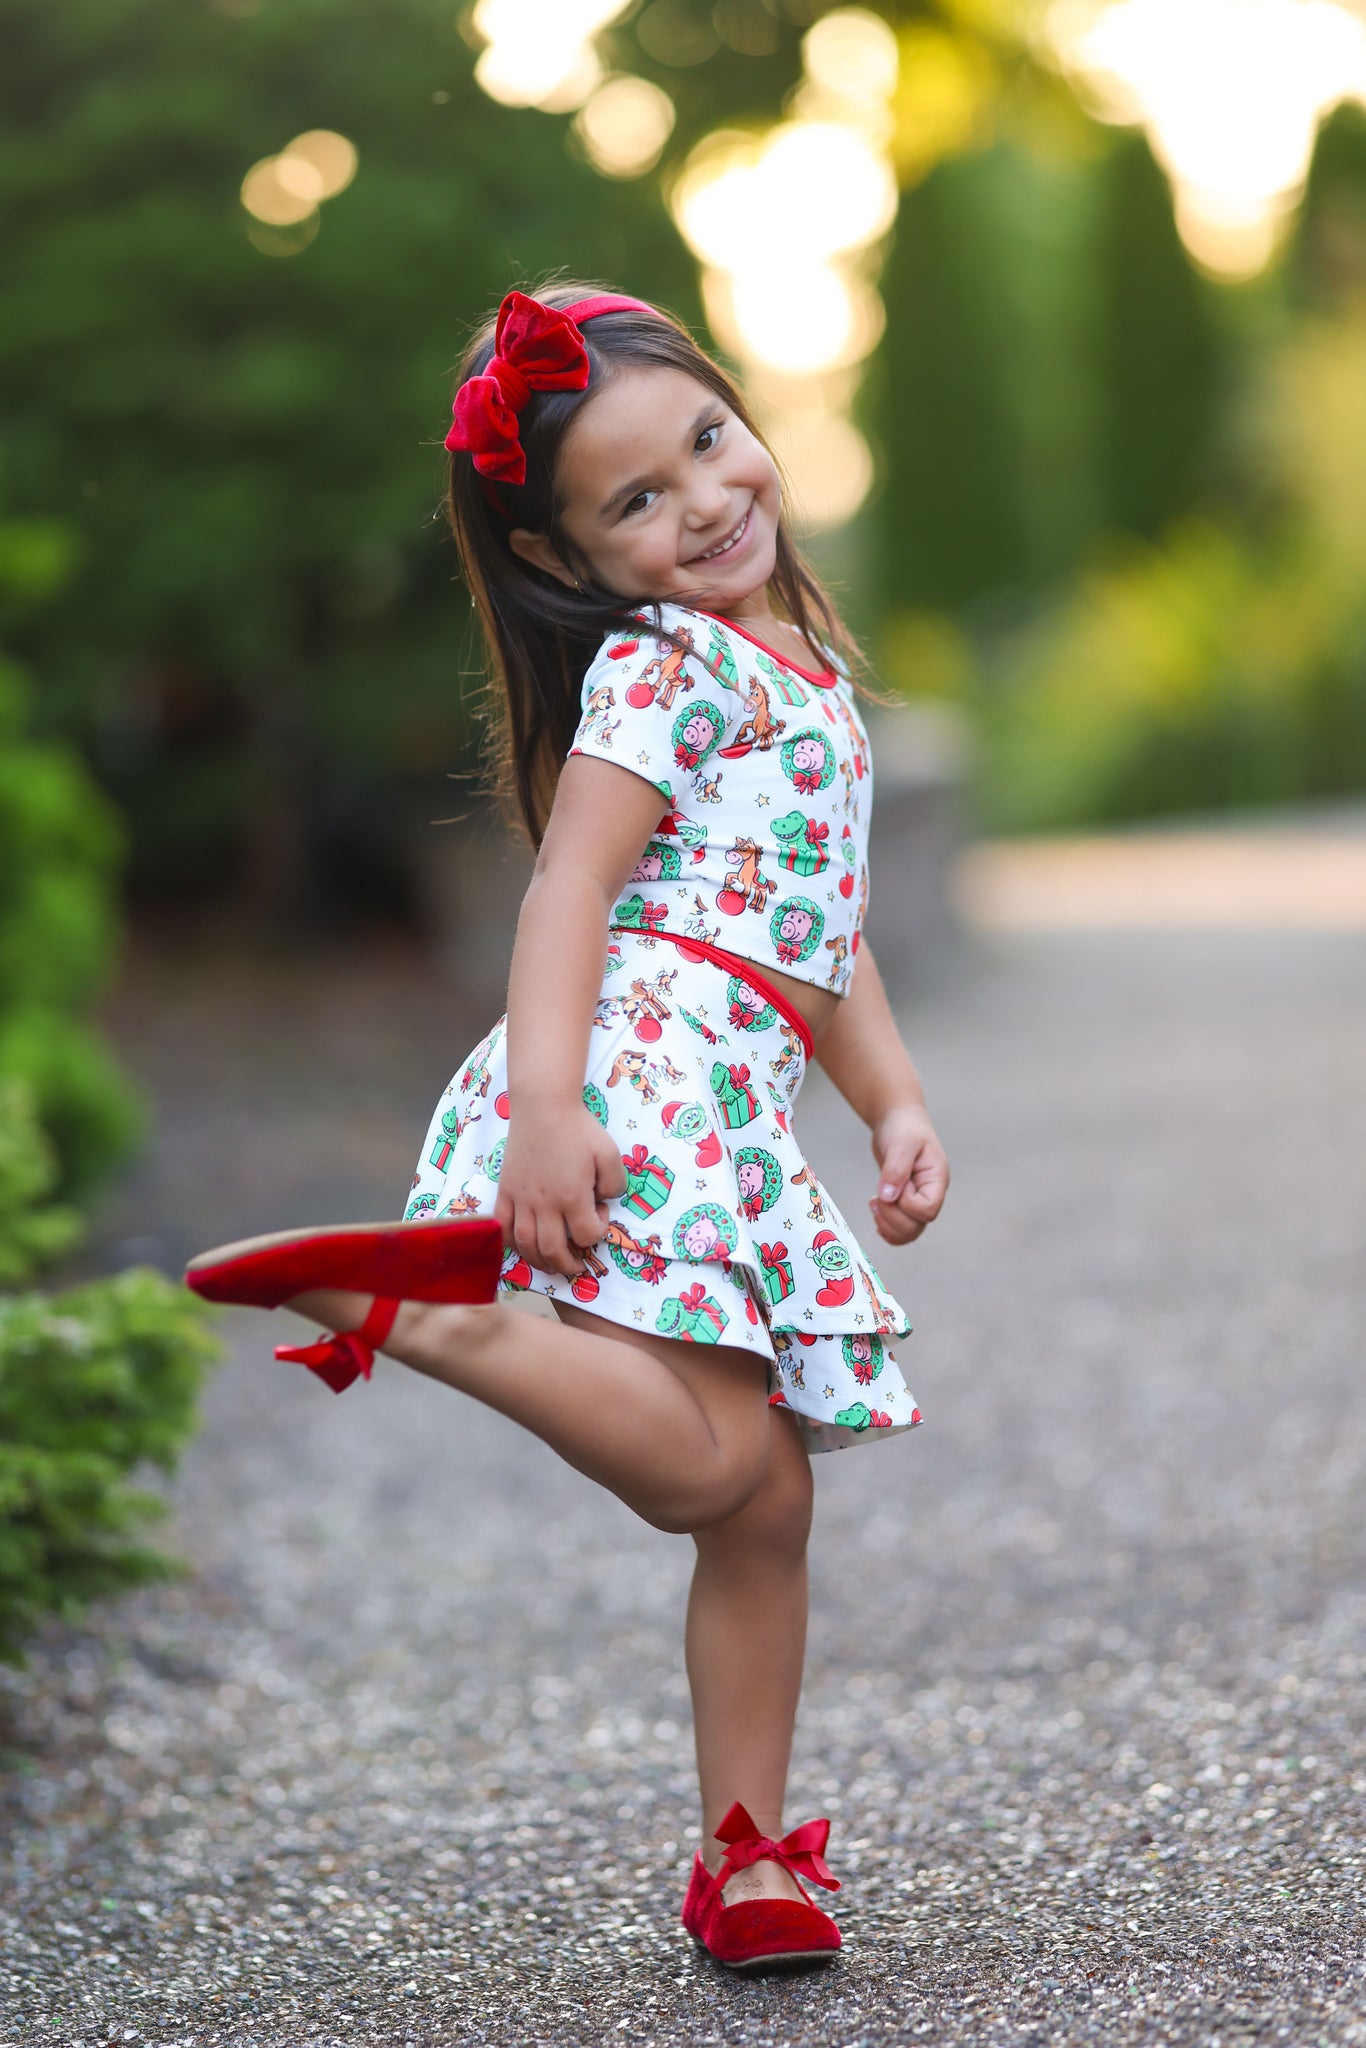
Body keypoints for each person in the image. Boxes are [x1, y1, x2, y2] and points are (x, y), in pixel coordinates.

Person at [186, 281, 950, 1970]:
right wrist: (547, 1108)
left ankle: (750, 1858)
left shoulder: (797, 669)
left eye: (709, 441)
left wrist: (889, 1099)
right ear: (566, 556)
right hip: (643, 1080)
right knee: (718, 1474)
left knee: (762, 1504)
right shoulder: (666, 668)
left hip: (721, 1084)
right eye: (639, 500)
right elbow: (569, 891)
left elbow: (820, 934)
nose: (706, 501)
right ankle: (431, 1314)